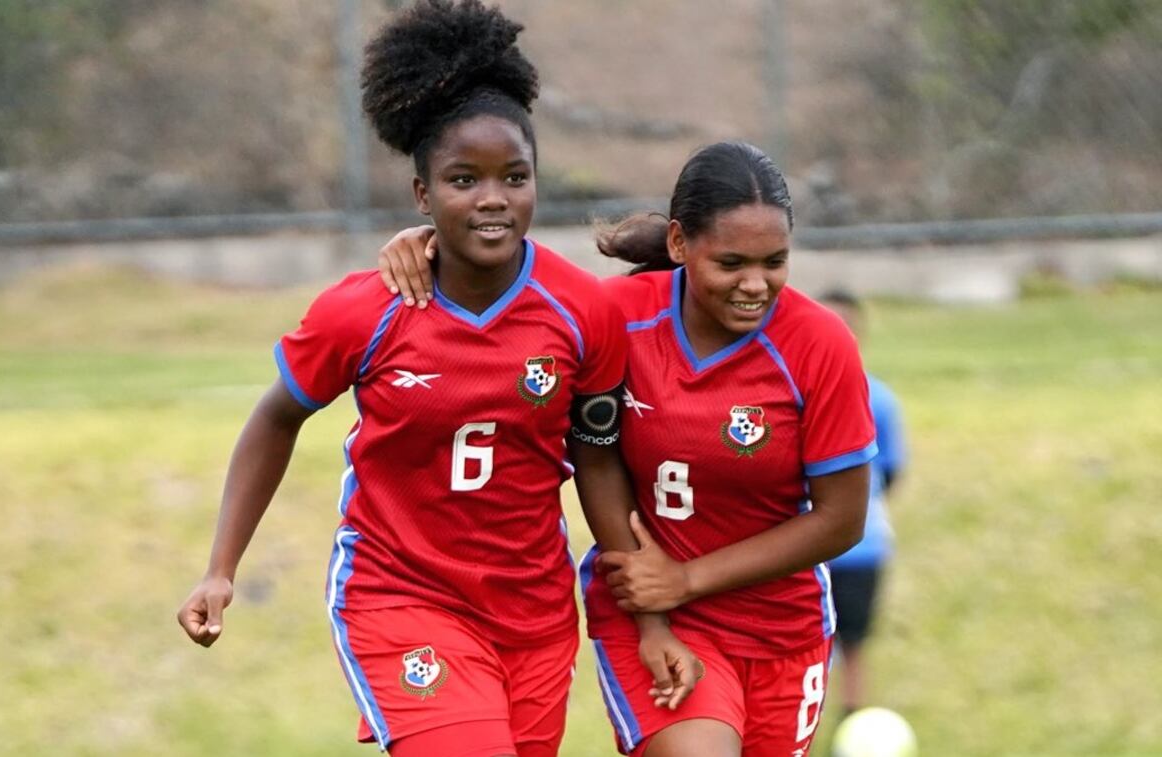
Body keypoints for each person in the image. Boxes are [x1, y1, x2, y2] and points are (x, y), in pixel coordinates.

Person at [175, 2, 697, 755]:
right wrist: (220, 569)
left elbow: (597, 460)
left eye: (514, 177)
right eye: (463, 179)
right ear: (423, 196)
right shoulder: (364, 312)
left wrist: (650, 616)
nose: (492, 198)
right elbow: (275, 417)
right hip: (401, 595)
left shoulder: (582, 313)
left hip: (533, 611)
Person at [377, 141, 877, 757]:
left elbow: (841, 519)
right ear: (677, 245)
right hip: (657, 617)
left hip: (781, 630)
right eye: (730, 263)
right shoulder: (612, 318)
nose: (755, 284)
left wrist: (687, 578)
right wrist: (426, 242)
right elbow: (588, 438)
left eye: (775, 261)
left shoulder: (820, 343)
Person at [819, 289, 907, 717]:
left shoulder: (880, 399)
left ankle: (849, 728)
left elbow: (890, 470)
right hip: (798, 549)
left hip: (860, 550)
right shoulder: (791, 394)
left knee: (853, 643)